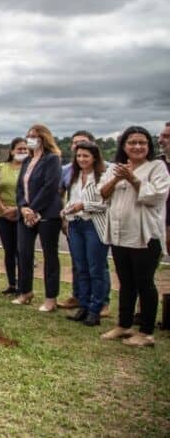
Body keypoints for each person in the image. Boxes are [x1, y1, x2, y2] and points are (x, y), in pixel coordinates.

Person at [99, 126, 170, 347]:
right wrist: (117, 178)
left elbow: (157, 196)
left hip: (145, 235)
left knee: (144, 282)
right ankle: (124, 324)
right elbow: (102, 194)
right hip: (120, 233)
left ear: (149, 146)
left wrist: (132, 178)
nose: (137, 146)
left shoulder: (157, 167)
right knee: (126, 281)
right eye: (132, 142)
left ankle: (146, 332)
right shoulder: (115, 168)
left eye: (142, 142)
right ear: (124, 146)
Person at [13, 124, 63, 312]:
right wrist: (23, 207)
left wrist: (33, 209)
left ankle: (51, 298)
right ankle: (25, 291)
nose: (30, 139)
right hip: (26, 214)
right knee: (24, 252)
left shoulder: (52, 159)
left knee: (50, 255)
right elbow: (20, 187)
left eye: (34, 136)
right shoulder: (27, 160)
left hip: (47, 214)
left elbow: (50, 186)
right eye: (28, 136)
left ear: (43, 138)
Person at [61, 141, 109, 326]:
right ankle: (83, 306)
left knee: (96, 268)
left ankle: (95, 309)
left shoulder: (103, 176)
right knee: (81, 267)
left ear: (94, 157)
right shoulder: (74, 175)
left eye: (86, 156)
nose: (81, 159)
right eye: (79, 155)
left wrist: (84, 206)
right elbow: (72, 199)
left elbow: (106, 204)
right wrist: (66, 211)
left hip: (94, 225)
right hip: (76, 224)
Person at [57, 129, 96, 309]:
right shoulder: (66, 170)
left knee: (96, 264)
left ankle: (100, 302)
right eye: (74, 143)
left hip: (95, 222)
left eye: (82, 142)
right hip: (74, 222)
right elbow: (61, 194)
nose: (77, 146)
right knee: (77, 261)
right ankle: (78, 297)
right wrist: (64, 218)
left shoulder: (104, 168)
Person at [0, 137, 27, 295]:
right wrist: (3, 209)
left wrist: (17, 209)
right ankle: (12, 283)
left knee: (22, 250)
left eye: (25, 149)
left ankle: (23, 285)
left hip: (23, 214)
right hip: (3, 215)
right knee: (9, 250)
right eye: (19, 149)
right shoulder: (0, 168)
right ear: (12, 151)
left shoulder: (31, 168)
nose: (22, 151)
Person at [157, 121, 170, 261]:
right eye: (161, 136)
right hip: (158, 224)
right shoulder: (156, 164)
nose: (160, 140)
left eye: (166, 137)